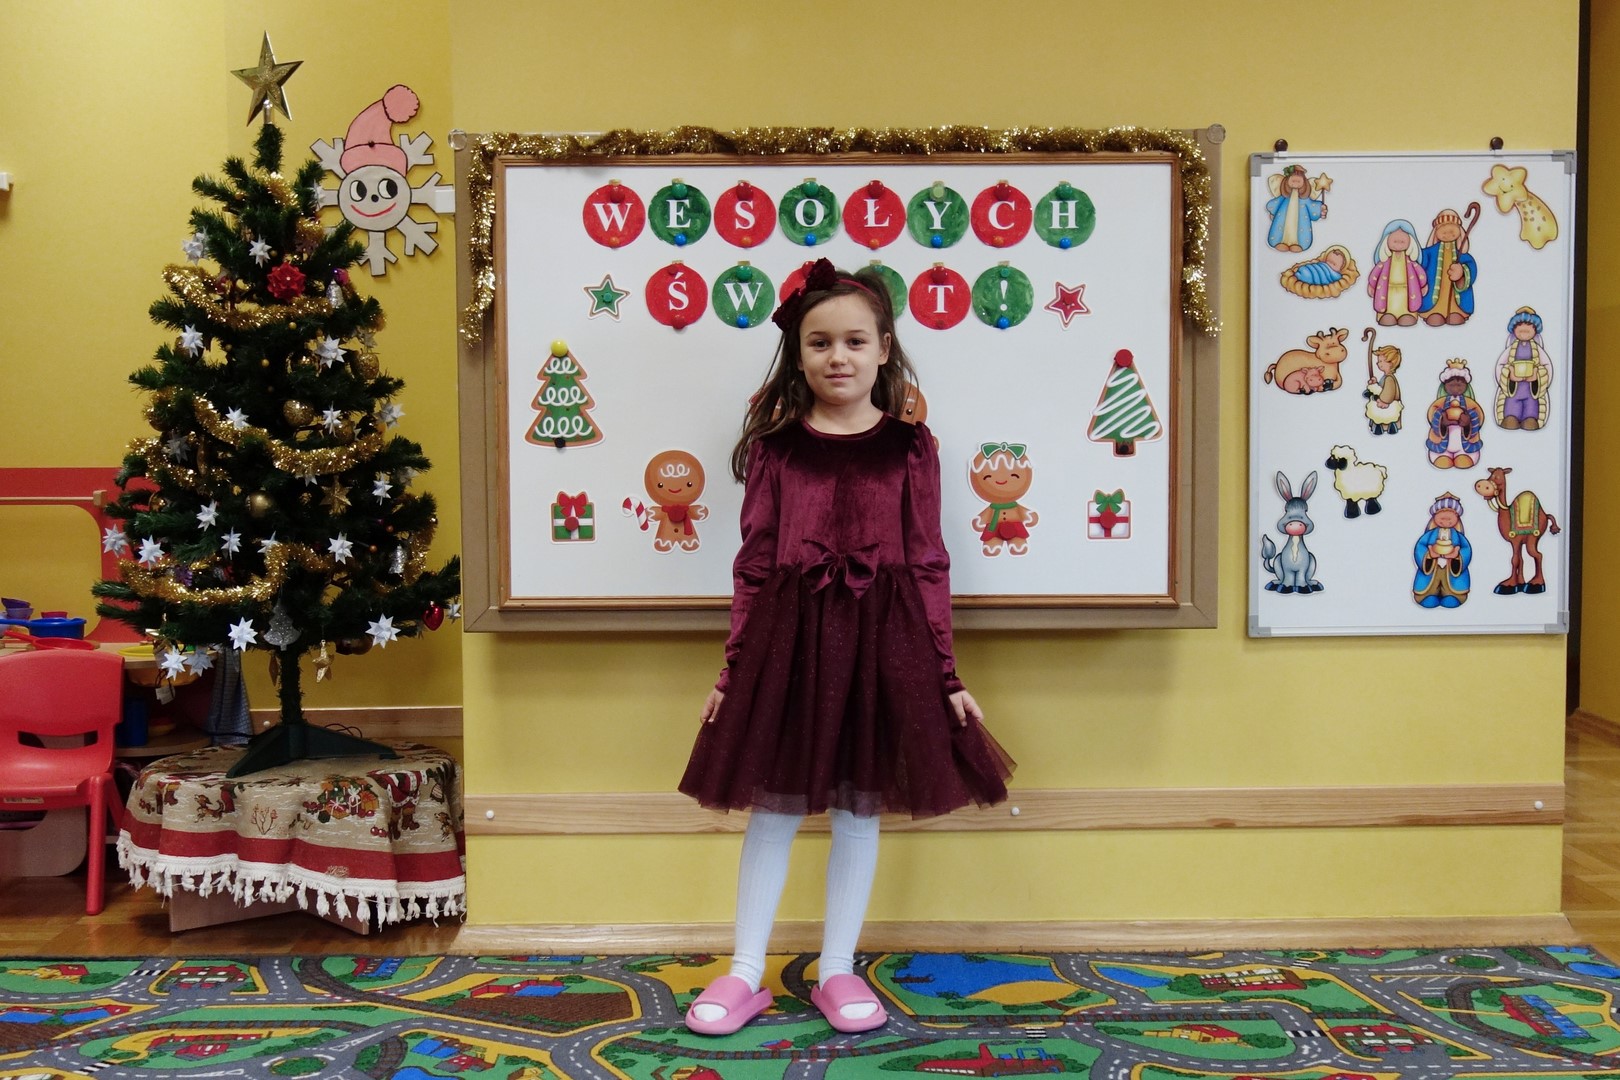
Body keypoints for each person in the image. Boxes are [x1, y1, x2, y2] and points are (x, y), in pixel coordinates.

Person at [678, 258, 1014, 1037]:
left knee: (861, 806)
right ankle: (745, 971)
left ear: (884, 349)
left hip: (881, 645)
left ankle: (837, 968)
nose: (838, 357)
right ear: (798, 355)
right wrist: (733, 671)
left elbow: (928, 560)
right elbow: (754, 564)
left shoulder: (911, 447)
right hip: (788, 647)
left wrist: (945, 673)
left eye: (855, 341)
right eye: (820, 342)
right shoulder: (777, 449)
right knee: (775, 807)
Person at [1494, 306, 1553, 430]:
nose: (1524, 330)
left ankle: (1530, 418)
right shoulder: (1511, 349)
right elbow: (1500, 365)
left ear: (1535, 330)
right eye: (1519, 326)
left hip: (1531, 392)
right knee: (1510, 419)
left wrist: (1536, 375)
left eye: (1529, 326)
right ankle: (1511, 417)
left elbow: (1547, 366)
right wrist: (1510, 374)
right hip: (1514, 392)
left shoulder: (1538, 350)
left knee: (1530, 419)